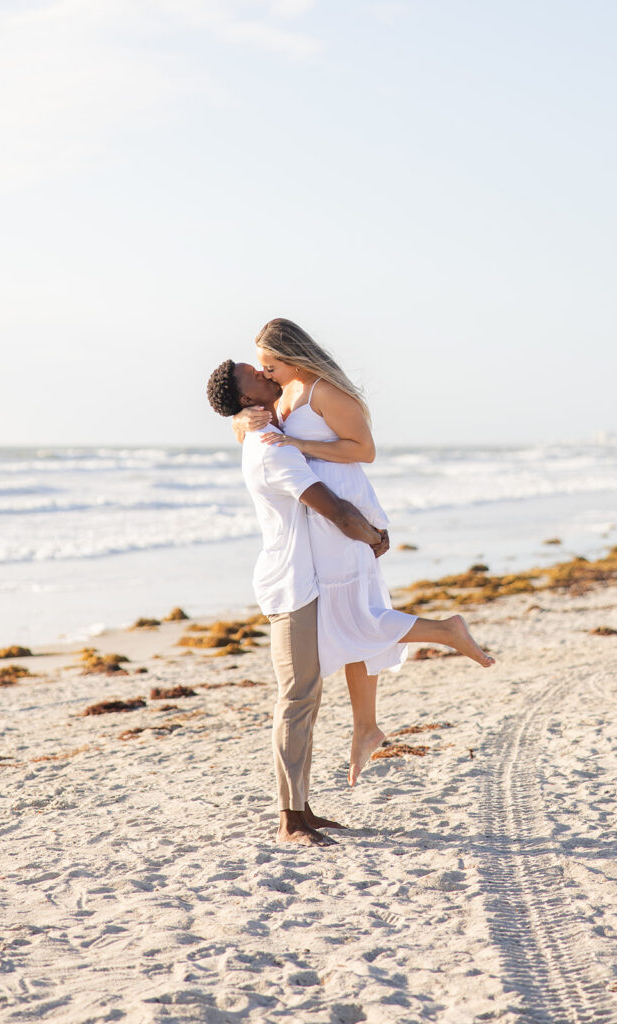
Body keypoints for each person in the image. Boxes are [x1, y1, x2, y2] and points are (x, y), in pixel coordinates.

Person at [233, 318, 495, 785]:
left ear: (290, 356)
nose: (264, 371)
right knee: (351, 618)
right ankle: (365, 727)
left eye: (269, 363)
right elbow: (256, 439)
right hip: (318, 521)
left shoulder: (325, 392)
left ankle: (446, 630)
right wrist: (241, 418)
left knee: (356, 616)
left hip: (342, 512)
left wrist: (299, 443)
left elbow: (364, 450)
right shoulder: (285, 393)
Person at [206, 358, 390, 849]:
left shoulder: (265, 428)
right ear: (247, 399)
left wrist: (240, 420)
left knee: (306, 697)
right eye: (254, 375)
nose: (266, 374)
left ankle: (304, 808)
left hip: (301, 580)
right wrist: (374, 536)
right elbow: (332, 509)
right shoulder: (273, 449)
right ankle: (289, 820)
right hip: (288, 586)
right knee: (295, 699)